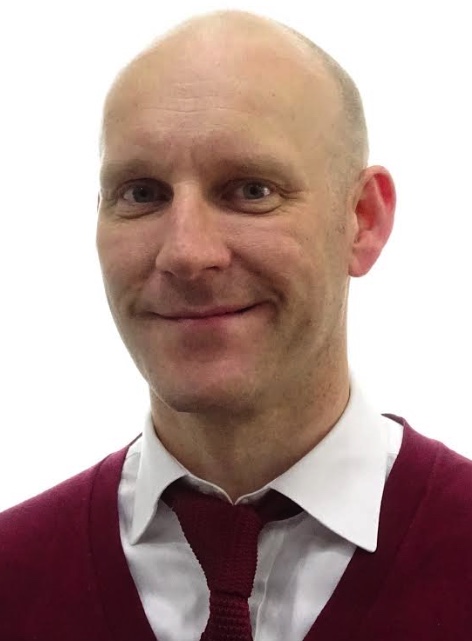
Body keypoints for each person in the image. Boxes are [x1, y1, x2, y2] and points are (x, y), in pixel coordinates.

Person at [1, 9, 472, 641]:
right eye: (142, 193)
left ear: (362, 219)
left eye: (250, 190)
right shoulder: (12, 577)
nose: (186, 253)